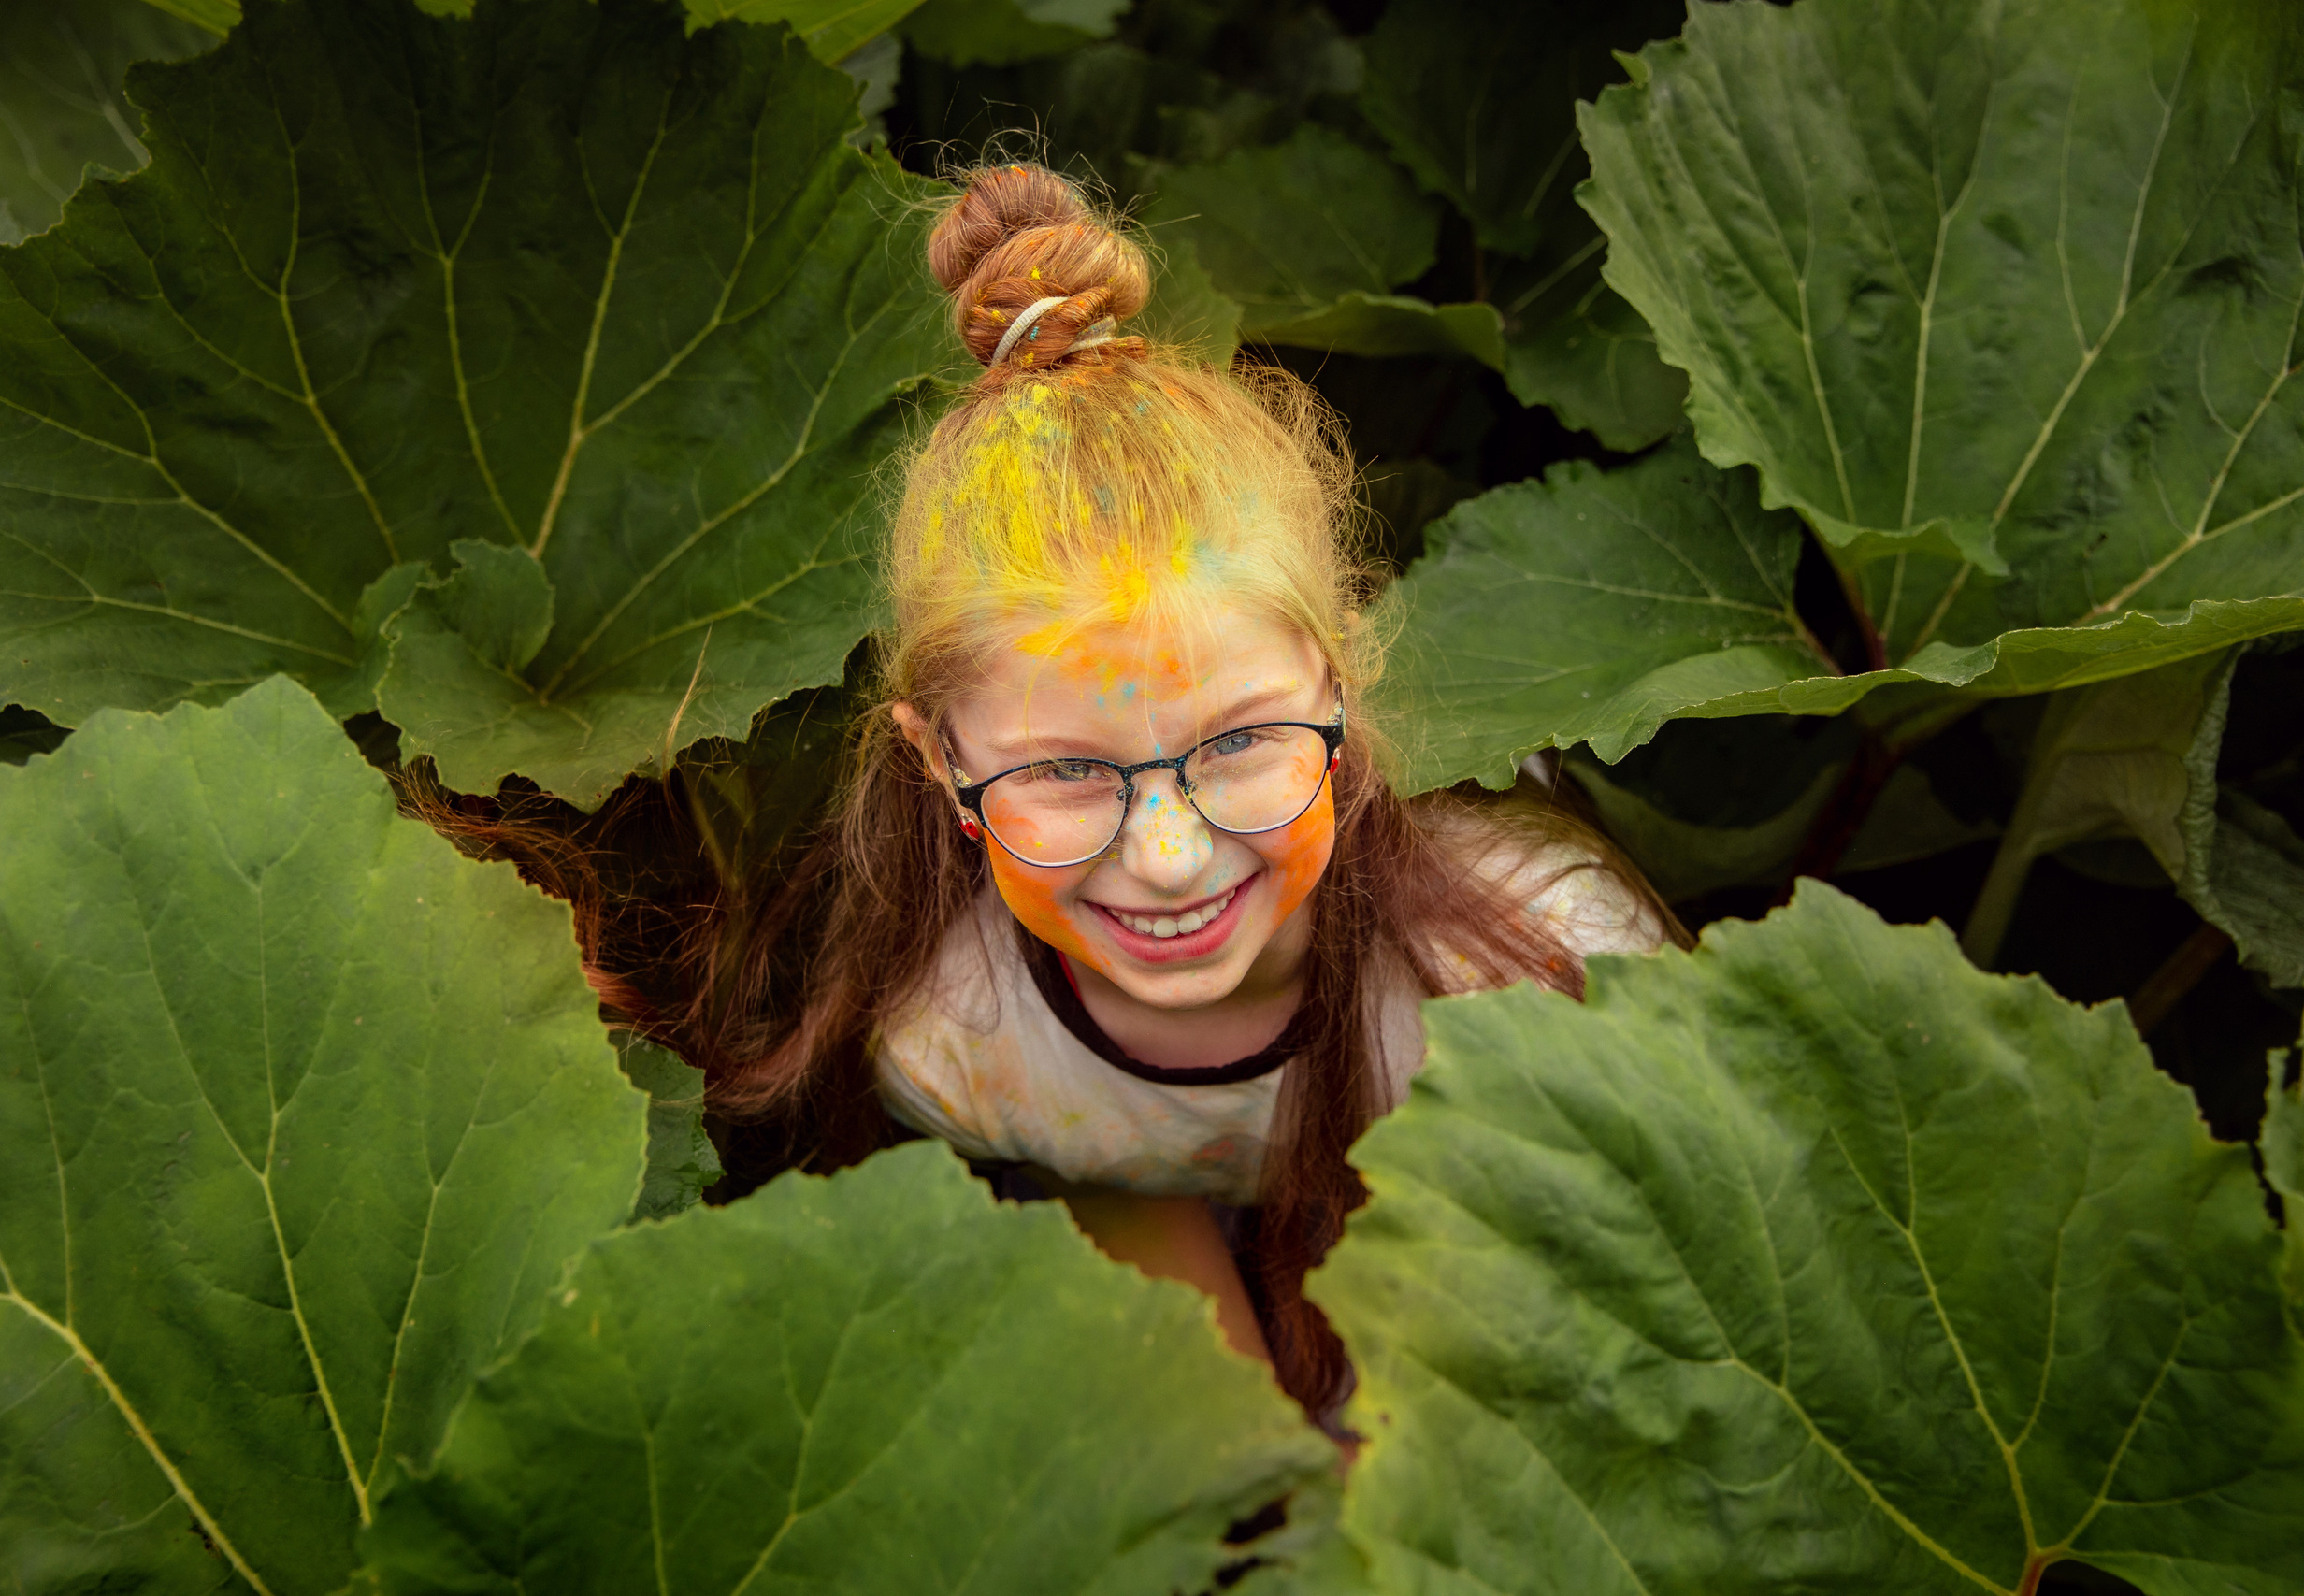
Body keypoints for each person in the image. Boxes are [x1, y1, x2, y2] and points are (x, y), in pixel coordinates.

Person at [421, 165, 1672, 1419]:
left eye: (1242, 741)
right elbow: (1122, 1181)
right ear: (939, 758)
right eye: (1068, 771)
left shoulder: (1550, 964)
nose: (1172, 859)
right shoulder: (955, 1046)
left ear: (1341, 691)